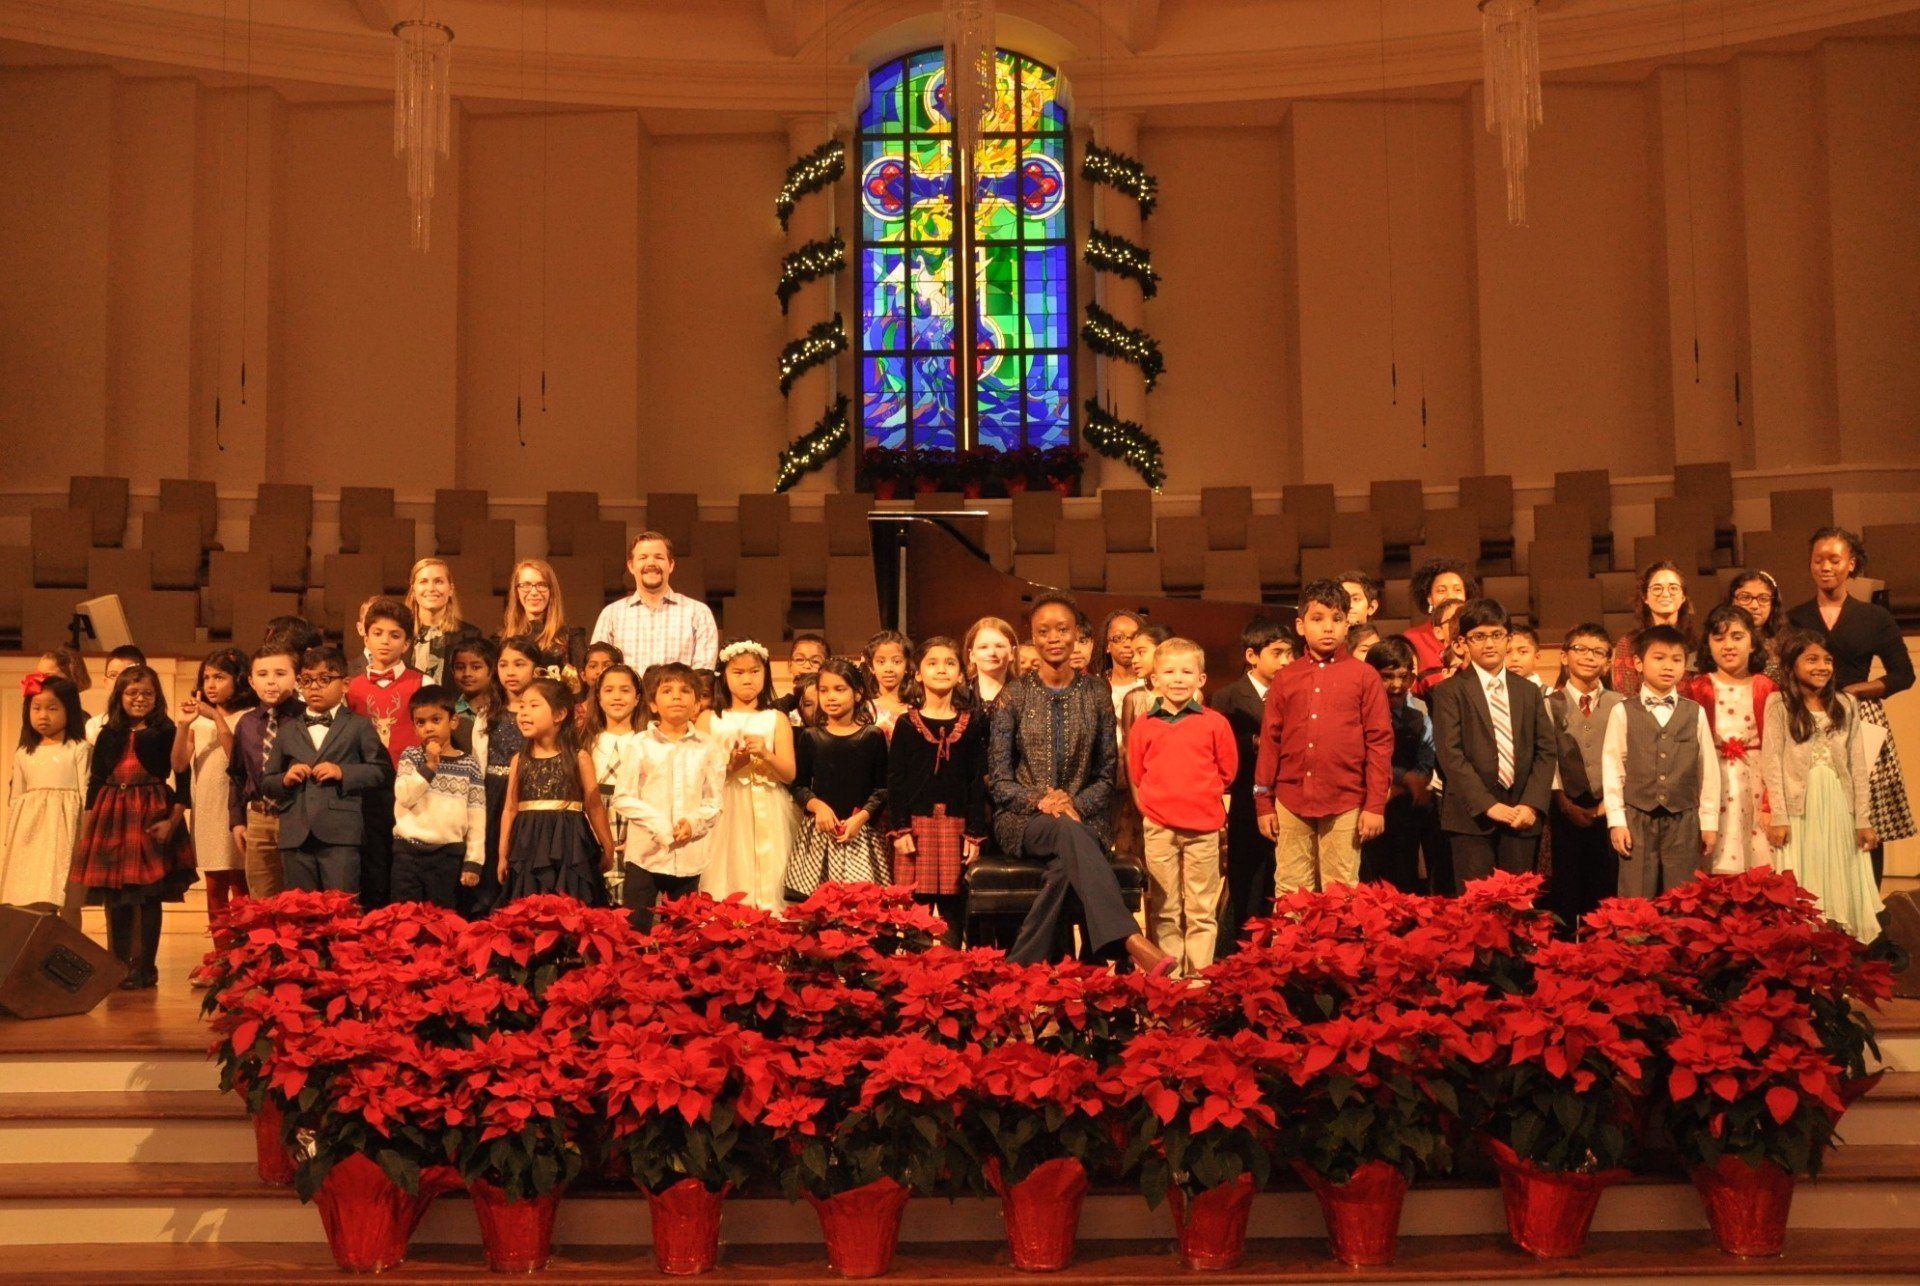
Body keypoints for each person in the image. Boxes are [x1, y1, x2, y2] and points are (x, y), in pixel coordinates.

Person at [989, 594, 1170, 973]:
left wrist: (1073, 805)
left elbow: (1106, 776)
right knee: (1067, 832)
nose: (1054, 638)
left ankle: (1020, 965)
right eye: (1043, 631)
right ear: (1033, 639)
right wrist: (1044, 801)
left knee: (1065, 857)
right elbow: (1000, 780)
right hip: (1024, 819)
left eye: (1063, 629)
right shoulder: (1014, 695)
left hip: (1086, 817)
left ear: (1078, 637)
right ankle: (1130, 939)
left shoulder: (1096, 693)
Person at [1786, 527, 1914, 884]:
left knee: (1865, 814)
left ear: (1851, 564)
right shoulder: (1797, 618)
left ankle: (1870, 906)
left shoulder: (1874, 617)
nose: (1825, 566)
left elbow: (1903, 675)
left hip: (1861, 716)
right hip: (1809, 716)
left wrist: (1857, 691)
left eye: (1834, 559)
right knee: (1817, 808)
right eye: (1818, 559)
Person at [1252, 580, 1395, 895]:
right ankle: (1289, 946)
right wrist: (1263, 801)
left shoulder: (1364, 676)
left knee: (1341, 888)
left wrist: (1375, 805)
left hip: (1345, 800)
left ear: (1348, 624)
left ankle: (1337, 946)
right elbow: (1270, 741)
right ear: (1301, 626)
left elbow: (1380, 742)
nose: (1328, 627)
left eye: (1336, 618)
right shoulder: (1286, 678)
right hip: (1290, 799)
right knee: (1290, 889)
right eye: (1318, 619)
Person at [68, 664, 193, 989]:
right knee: (116, 897)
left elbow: (181, 775)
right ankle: (118, 966)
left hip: (151, 813)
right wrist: (89, 825)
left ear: (157, 696)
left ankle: (145, 968)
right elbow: (96, 781)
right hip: (112, 818)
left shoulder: (165, 731)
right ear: (119, 696)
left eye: (147, 693)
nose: (140, 699)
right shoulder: (109, 732)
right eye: (132, 693)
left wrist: (173, 820)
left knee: (147, 896)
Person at [1762, 630, 1882, 943]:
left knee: (1839, 882)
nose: (1822, 666)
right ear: (1792, 665)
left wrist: (1863, 820)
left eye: (1827, 660)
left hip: (1838, 807)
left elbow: (1857, 765)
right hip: (1801, 809)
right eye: (1812, 659)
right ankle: (1806, 964)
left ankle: (1837, 966)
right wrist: (1779, 816)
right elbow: (1772, 762)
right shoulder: (1779, 703)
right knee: (1805, 883)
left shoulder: (1846, 704)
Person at [1128, 637, 1237, 977]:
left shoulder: (1214, 722)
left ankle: (1200, 977)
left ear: (1201, 679)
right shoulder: (1144, 724)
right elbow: (1137, 770)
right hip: (1159, 827)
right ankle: (1169, 979)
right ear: (1154, 679)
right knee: (1164, 907)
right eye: (1169, 672)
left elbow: (1228, 769)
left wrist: (1202, 795)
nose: (1178, 679)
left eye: (1186, 671)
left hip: (1203, 828)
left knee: (1201, 908)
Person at [1430, 599, 1558, 884]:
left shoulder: (1529, 691)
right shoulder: (1449, 692)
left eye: (1496, 635)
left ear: (1508, 639)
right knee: (1477, 914)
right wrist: (1487, 804)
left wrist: (1532, 805)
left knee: (1518, 909)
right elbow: (1451, 755)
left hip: (1520, 816)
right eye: (1479, 636)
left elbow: (1546, 751)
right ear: (1463, 643)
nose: (1489, 643)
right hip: (1471, 818)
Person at [263, 645, 393, 897]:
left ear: (345, 684)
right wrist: (285, 779)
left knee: (341, 912)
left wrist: (343, 772)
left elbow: (383, 772)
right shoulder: (288, 729)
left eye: (324, 679)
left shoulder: (358, 726)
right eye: (307, 680)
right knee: (300, 915)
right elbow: (267, 781)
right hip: (295, 834)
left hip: (341, 834)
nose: (314, 687)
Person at [1602, 625, 1720, 898]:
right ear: (1638, 663)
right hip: (1637, 817)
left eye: (1676, 659)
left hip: (1683, 818)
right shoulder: (1623, 711)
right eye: (1659, 658)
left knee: (1683, 898)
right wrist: (1616, 820)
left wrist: (1709, 822)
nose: (1669, 666)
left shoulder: (1695, 712)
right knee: (1636, 898)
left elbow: (1708, 771)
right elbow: (1613, 769)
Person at [887, 636, 990, 942]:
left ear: (961, 673)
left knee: (953, 910)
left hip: (956, 827)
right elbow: (896, 780)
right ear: (918, 672)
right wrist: (900, 829)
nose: (941, 669)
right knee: (914, 913)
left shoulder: (971, 724)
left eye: (949, 663)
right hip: (916, 828)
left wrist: (974, 833)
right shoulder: (907, 724)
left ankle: (951, 977)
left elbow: (975, 781)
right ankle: (915, 978)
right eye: (932, 663)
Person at [611, 663, 726, 929]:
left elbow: (714, 801)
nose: (676, 696)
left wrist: (693, 824)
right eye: (667, 690)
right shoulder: (640, 743)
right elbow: (623, 796)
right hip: (645, 855)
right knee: (635, 929)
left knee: (682, 932)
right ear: (652, 704)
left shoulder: (708, 747)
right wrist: (660, 825)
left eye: (685, 691)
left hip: (688, 857)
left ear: (696, 705)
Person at [1210, 616, 1291, 953]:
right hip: (1245, 802)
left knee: (1279, 879)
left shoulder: (1294, 691)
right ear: (1252, 656)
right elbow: (1225, 750)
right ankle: (1239, 952)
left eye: (1290, 653)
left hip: (1286, 799)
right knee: (1246, 881)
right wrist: (1259, 742)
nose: (1287, 660)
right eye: (1278, 652)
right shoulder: (1227, 697)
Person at [499, 676, 615, 906]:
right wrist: (503, 854)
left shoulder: (579, 758)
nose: (523, 713)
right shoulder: (519, 760)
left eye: (533, 705)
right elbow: (510, 809)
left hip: (569, 844)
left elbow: (594, 806)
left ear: (559, 715)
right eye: (521, 706)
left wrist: (608, 845)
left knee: (571, 903)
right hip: (528, 844)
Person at [703, 641, 797, 912]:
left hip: (768, 803)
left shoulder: (776, 718)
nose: (748, 678)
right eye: (738, 672)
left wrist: (767, 754)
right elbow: (701, 779)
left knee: (770, 869)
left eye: (755, 671)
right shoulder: (710, 718)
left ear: (765, 673)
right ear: (724, 675)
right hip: (726, 805)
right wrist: (732, 764)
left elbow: (789, 774)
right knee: (728, 865)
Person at [1685, 605, 1777, 874]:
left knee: (1757, 856)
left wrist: (1772, 804)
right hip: (1714, 782)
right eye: (1719, 638)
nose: (1728, 645)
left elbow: (1777, 752)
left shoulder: (1767, 688)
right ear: (1708, 645)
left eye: (1737, 637)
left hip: (1756, 783)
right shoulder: (1697, 688)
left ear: (1752, 643)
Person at [788, 658, 891, 896]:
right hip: (821, 833)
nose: (831, 696)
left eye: (839, 689)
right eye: (824, 690)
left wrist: (861, 818)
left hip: (861, 832)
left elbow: (883, 788)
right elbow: (799, 785)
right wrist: (818, 807)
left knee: (862, 904)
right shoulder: (811, 737)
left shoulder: (872, 736)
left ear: (857, 694)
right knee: (821, 905)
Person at [1543, 623, 1621, 932]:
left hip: (1610, 809)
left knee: (1606, 889)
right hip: (1565, 807)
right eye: (1581, 650)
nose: (1590, 657)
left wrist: (1609, 804)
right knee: (1568, 887)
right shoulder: (1549, 704)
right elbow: (1547, 759)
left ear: (1609, 661)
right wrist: (1563, 803)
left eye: (1598, 652)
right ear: (1564, 656)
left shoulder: (1621, 704)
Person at [346, 596, 422, 910]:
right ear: (365, 636)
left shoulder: (422, 681)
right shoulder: (350, 688)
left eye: (394, 635)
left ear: (407, 643)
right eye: (377, 633)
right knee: (370, 864)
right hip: (365, 792)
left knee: (404, 866)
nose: (385, 642)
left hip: (411, 790)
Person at [172, 648, 256, 927]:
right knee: (214, 887)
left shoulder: (250, 716)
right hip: (208, 809)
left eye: (219, 677)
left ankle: (246, 954)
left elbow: (237, 760)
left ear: (238, 679)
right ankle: (221, 956)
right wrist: (184, 727)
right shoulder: (197, 719)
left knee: (242, 885)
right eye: (206, 677)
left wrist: (217, 718)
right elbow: (180, 764)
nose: (210, 684)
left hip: (234, 808)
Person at [0, 674, 88, 921]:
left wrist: (85, 834)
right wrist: (11, 838)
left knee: (67, 896)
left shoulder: (78, 749)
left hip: (65, 833)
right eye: (36, 708)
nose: (43, 715)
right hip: (31, 835)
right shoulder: (25, 753)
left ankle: (69, 948)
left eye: (52, 708)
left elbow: (85, 794)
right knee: (31, 895)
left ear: (68, 710)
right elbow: (16, 797)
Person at [390, 685, 486, 909]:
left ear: (453, 722)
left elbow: (477, 817)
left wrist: (473, 861)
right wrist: (429, 767)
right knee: (405, 918)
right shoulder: (411, 757)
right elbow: (404, 796)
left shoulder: (468, 764)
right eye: (421, 723)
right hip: (408, 853)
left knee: (444, 920)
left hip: (447, 855)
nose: (429, 728)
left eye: (436, 720)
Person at [225, 640, 303, 900]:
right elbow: (237, 775)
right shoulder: (246, 723)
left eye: (280, 674)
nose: (271, 682)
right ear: (251, 681)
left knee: (298, 897)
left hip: (297, 815)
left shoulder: (308, 718)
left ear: (297, 678)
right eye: (262, 674)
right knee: (262, 898)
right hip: (259, 818)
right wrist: (237, 821)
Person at [1358, 637, 1435, 894]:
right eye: (1387, 677)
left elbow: (1425, 765)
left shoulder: (1419, 718)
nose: (1396, 685)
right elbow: (1359, 759)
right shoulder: (1355, 716)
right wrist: (1402, 779)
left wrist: (1402, 786)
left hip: (1405, 815)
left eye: (1404, 677)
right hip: (1364, 813)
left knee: (1405, 888)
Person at [589, 532, 719, 675]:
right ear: (631, 566)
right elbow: (599, 672)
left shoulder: (699, 613)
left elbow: (702, 676)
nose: (651, 563)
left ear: (671, 565)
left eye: (659, 557)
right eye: (643, 557)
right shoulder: (611, 614)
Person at [583, 662, 644, 901]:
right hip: (596, 824)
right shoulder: (587, 742)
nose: (617, 697)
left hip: (633, 824)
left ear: (638, 698)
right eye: (609, 690)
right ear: (598, 697)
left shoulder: (645, 741)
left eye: (625, 690)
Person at [1612, 561, 1695, 698]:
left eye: (1673, 588)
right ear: (1645, 597)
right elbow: (1626, 695)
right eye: (1657, 588)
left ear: (1683, 597)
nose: (1665, 594)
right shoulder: (1629, 644)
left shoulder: (1695, 643)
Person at [504, 558, 590, 678]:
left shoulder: (571, 638)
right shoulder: (502, 638)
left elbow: (581, 687)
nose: (534, 592)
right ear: (516, 591)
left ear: (551, 591)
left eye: (541, 585)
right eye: (526, 585)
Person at [404, 557, 475, 684]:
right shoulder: (400, 633)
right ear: (413, 590)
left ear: (451, 589)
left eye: (439, 581)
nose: (431, 588)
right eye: (423, 581)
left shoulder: (470, 635)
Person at [1405, 560, 1475, 685]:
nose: (1450, 596)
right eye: (1441, 591)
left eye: (1457, 590)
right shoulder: (1412, 639)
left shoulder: (1477, 634)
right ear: (1429, 599)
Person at [1725, 569, 1786, 681]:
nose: (1754, 605)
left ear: (1773, 604)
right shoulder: (1720, 641)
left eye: (1763, 599)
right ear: (1732, 601)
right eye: (1745, 597)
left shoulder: (1786, 644)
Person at [84, 645, 148, 744]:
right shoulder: (94, 726)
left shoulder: (156, 725)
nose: (119, 681)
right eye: (113, 675)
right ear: (105, 682)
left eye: (126, 674)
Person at [1098, 610, 1146, 717]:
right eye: (1119, 638)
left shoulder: (1152, 685)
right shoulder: (1096, 686)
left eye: (1134, 637)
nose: (1128, 644)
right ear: (1107, 645)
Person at [964, 616, 1018, 710]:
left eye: (999, 646)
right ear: (971, 655)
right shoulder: (960, 697)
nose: (992, 653)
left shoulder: (1026, 697)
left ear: (1012, 653)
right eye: (983, 647)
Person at [864, 629, 913, 732]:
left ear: (907, 666)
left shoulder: (916, 709)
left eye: (896, 661)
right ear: (871, 667)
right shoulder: (864, 709)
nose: (889, 669)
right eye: (881, 662)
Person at [774, 633, 830, 718]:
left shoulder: (831, 705)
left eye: (815, 661)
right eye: (800, 659)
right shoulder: (777, 708)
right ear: (790, 665)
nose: (807, 665)